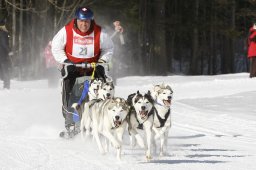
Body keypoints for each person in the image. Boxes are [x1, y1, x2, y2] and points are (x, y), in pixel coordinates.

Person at [51, 7, 114, 137]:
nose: (84, 24)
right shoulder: (66, 31)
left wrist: (102, 62)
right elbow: (56, 47)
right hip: (72, 68)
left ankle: (103, 120)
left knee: (103, 89)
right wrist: (66, 61)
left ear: (91, 21)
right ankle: (71, 122)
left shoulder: (100, 33)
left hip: (93, 68)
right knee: (70, 90)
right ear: (76, 20)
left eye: (87, 21)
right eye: (81, 21)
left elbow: (109, 48)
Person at [0, 20, 11, 89]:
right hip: (3, 55)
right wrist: (9, 51)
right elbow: (4, 43)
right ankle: (6, 85)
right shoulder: (4, 33)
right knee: (6, 69)